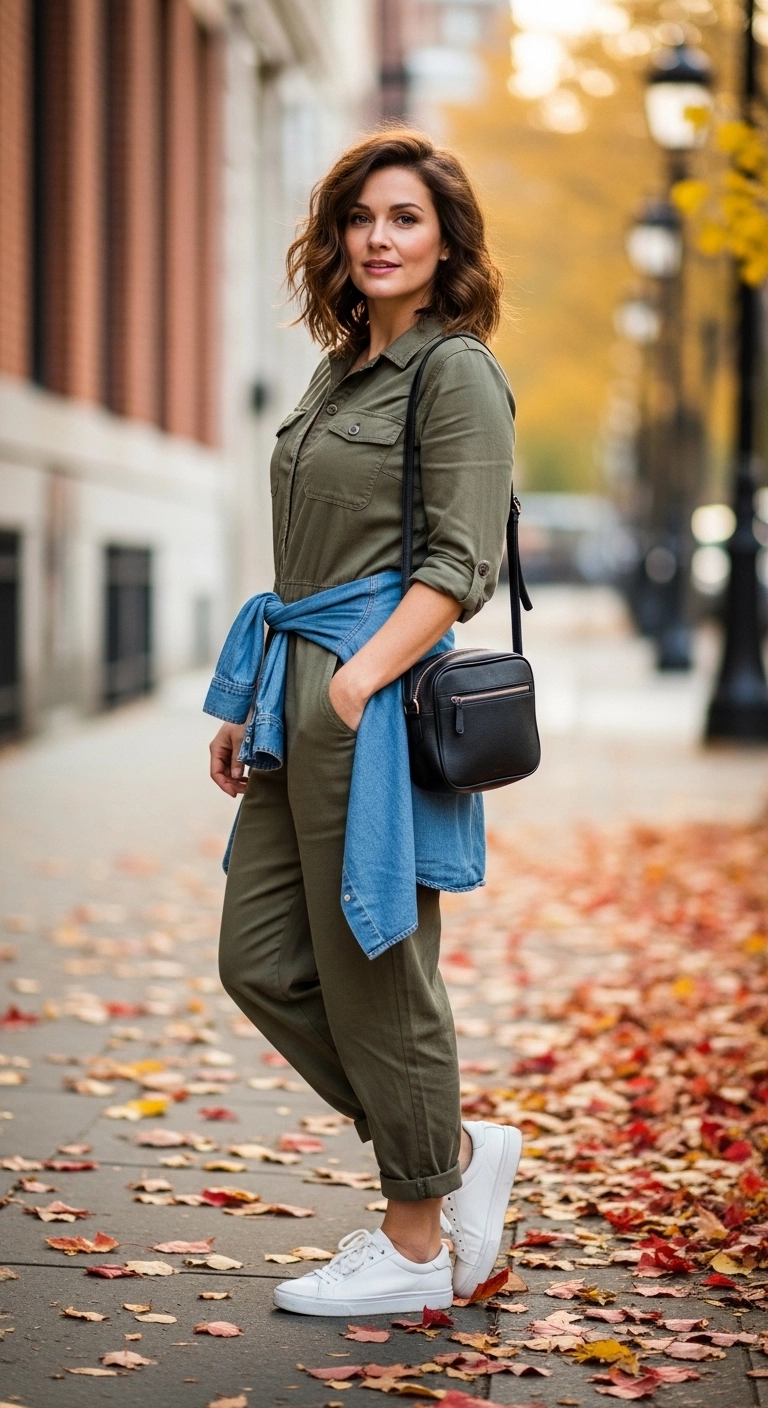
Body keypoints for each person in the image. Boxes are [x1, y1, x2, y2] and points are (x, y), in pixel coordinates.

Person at [206, 129, 522, 1317]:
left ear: (447, 244)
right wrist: (258, 696)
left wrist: (356, 681)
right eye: (361, 218)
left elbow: (460, 556)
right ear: (336, 239)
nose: (378, 239)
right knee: (261, 959)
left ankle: (412, 1237)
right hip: (298, 688)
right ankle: (453, 1148)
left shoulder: (455, 371)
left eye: (405, 219)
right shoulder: (343, 368)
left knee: (376, 964)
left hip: (369, 696)